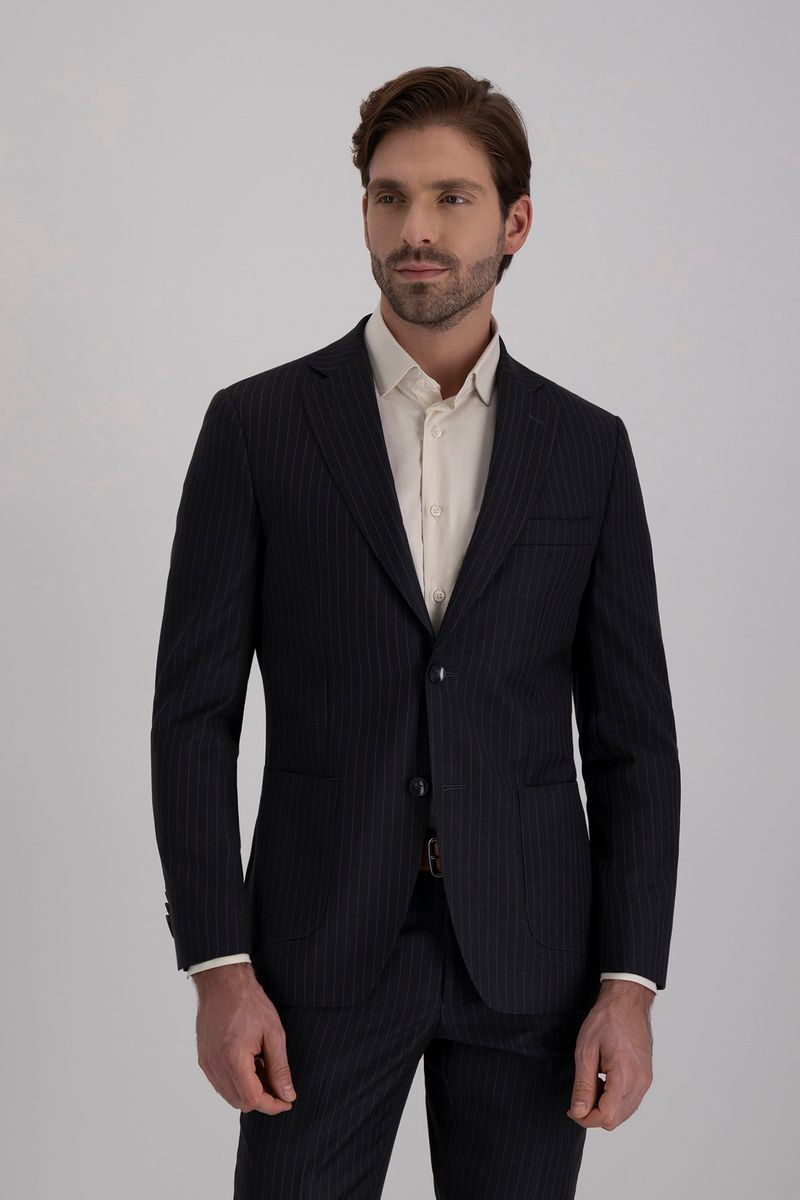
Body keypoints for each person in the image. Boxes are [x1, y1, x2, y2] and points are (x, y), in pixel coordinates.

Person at [150, 64, 681, 1200]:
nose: (416, 230)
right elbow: (192, 719)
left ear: (515, 223)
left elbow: (634, 741)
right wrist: (218, 966)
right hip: (313, 958)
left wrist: (629, 982)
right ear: (363, 215)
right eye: (390, 198)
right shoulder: (256, 428)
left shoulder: (586, 450)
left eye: (451, 198)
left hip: (533, 965)